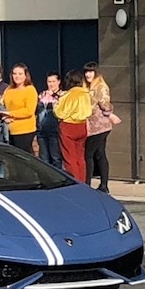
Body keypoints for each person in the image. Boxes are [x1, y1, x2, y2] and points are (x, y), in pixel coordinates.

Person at [53, 70, 92, 182]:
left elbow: (60, 112)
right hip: (82, 125)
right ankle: (83, 180)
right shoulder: (86, 94)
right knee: (80, 156)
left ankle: (75, 181)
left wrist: (56, 105)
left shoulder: (68, 95)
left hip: (68, 126)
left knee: (70, 157)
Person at [84, 62, 115, 193]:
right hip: (93, 126)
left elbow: (105, 104)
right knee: (100, 153)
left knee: (88, 154)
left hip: (99, 126)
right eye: (86, 72)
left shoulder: (100, 87)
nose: (87, 74)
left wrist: (110, 113)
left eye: (91, 72)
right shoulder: (87, 87)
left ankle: (87, 183)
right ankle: (103, 185)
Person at [0, 63, 39, 153]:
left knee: (23, 158)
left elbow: (29, 111)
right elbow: (1, 105)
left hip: (25, 130)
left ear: (26, 75)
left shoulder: (30, 90)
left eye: (20, 74)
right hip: (9, 130)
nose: (17, 76)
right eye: (15, 73)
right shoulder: (9, 89)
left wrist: (10, 114)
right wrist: (4, 116)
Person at [35, 71, 64, 170]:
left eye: (53, 81)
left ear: (59, 82)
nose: (51, 84)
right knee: (43, 158)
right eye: (49, 81)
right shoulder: (42, 94)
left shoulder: (62, 95)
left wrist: (54, 95)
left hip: (54, 131)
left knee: (55, 157)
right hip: (41, 131)